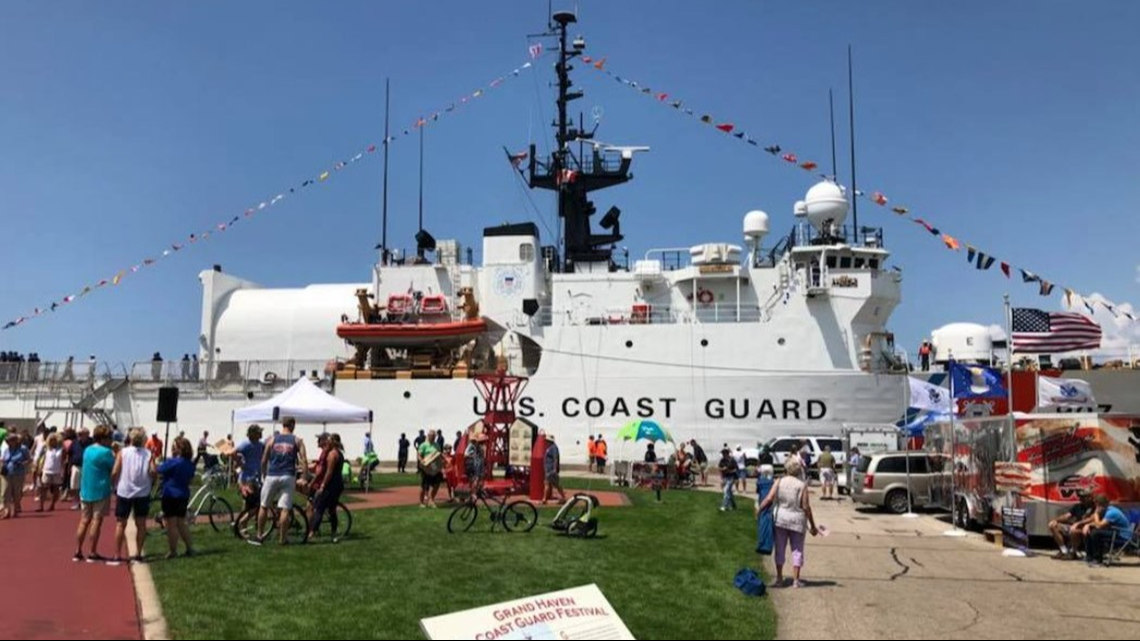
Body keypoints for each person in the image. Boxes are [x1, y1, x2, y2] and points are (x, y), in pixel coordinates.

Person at [759, 458, 819, 589]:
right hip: (797, 520)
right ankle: (796, 580)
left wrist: (760, 509)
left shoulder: (779, 481)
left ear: (786, 469)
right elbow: (806, 507)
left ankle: (780, 578)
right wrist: (813, 526)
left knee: (780, 548)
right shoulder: (802, 485)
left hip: (781, 519)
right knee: (797, 550)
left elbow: (769, 498)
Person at [256, 417, 308, 545]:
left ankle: (259, 535)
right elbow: (304, 460)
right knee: (285, 509)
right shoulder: (297, 440)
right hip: (288, 475)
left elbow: (264, 459)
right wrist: (304, 478)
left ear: (282, 425)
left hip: (272, 475)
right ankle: (282, 539)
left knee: (264, 506)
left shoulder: (272, 439)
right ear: (292, 425)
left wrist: (263, 475)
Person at [111, 429, 157, 566]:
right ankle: (138, 553)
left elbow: (115, 471)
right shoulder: (148, 454)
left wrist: (114, 484)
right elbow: (153, 471)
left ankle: (117, 554)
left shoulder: (123, 453)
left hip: (125, 491)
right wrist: (152, 482)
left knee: (120, 523)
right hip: (142, 492)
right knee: (141, 524)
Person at [75, 425, 116, 562]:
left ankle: (78, 550)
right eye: (109, 437)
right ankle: (92, 551)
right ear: (103, 438)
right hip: (101, 489)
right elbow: (113, 467)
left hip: (86, 488)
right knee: (96, 521)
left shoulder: (87, 450)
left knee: (84, 520)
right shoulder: (106, 452)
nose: (111, 440)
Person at [157, 438, 195, 558]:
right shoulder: (190, 463)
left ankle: (173, 551)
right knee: (181, 523)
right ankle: (189, 548)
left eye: (174, 447)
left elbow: (159, 469)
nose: (172, 449)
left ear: (179, 449)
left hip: (170, 494)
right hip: (183, 494)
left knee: (171, 524)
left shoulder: (173, 462)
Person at [307, 433, 345, 543]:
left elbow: (329, 472)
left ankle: (311, 533)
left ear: (333, 441)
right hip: (338, 485)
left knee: (319, 508)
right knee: (332, 510)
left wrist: (323, 485)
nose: (327, 442)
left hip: (331, 485)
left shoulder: (332, 455)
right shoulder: (339, 453)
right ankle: (333, 533)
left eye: (329, 440)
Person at [1083, 495, 1134, 567]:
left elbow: (1099, 525)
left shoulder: (1112, 512)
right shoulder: (1106, 511)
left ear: (1098, 504)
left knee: (1096, 533)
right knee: (1089, 531)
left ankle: (1098, 560)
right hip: (1115, 532)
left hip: (1123, 535)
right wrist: (1088, 525)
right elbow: (1100, 523)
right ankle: (1090, 557)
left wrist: (1096, 514)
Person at [233, 425, 265, 533]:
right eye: (259, 432)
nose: (261, 433)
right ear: (253, 433)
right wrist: (239, 463)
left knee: (250, 504)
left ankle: (242, 528)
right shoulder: (246, 444)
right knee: (255, 505)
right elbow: (233, 452)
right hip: (247, 479)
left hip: (256, 478)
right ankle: (241, 524)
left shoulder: (261, 445)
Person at [1049, 492, 1096, 560]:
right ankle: (1063, 551)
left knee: (1073, 531)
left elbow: (1092, 519)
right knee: (1053, 526)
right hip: (1075, 526)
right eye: (1080, 497)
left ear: (1090, 497)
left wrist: (1078, 524)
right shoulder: (1078, 506)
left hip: (1086, 528)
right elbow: (1067, 516)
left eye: (1083, 497)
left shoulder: (1094, 507)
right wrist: (1056, 520)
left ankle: (1073, 553)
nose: (1081, 499)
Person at [1, 432, 30, 519]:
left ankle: (15, 509)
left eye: (11, 440)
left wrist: (21, 463)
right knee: (5, 492)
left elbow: (28, 459)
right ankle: (7, 511)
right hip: (7, 472)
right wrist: (2, 464)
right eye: (8, 441)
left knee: (16, 493)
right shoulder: (6, 449)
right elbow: (2, 459)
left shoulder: (23, 449)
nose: (9, 442)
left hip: (18, 473)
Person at [36, 433, 65, 512]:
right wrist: (39, 469)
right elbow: (41, 459)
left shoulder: (61, 449)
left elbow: (63, 461)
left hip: (57, 471)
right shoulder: (46, 448)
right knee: (43, 488)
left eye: (54, 440)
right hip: (46, 470)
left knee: (56, 489)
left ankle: (52, 504)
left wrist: (63, 471)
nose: (53, 442)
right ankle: (41, 505)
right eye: (51, 440)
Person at [754, 464, 776, 557]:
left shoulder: (760, 481)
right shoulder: (772, 482)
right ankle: (768, 545)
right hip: (770, 504)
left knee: (762, 525)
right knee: (769, 525)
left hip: (762, 501)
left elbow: (758, 491)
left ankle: (762, 544)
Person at [419, 429, 444, 508]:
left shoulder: (437, 445)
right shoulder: (423, 445)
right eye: (431, 436)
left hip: (435, 466)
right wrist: (422, 461)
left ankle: (431, 500)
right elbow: (419, 455)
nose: (433, 437)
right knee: (424, 485)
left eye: (434, 436)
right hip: (426, 466)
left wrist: (442, 462)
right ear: (428, 436)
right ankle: (422, 502)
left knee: (437, 483)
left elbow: (439, 455)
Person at [65, 428, 91, 506]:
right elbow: (69, 455)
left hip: (87, 467)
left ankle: (84, 501)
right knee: (74, 485)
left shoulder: (91, 443)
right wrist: (68, 467)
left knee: (85, 485)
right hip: (76, 466)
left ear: (87, 435)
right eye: (78, 434)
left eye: (81, 434)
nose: (79, 435)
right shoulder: (74, 443)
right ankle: (77, 501)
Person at [543, 434, 566, 505]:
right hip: (548, 469)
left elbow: (555, 458)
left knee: (551, 484)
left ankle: (544, 498)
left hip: (551, 469)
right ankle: (545, 498)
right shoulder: (549, 447)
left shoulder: (553, 448)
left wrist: (555, 469)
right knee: (550, 483)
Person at [463, 431, 488, 496]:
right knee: (476, 478)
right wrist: (472, 456)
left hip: (480, 463)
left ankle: (479, 490)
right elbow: (466, 454)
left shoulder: (480, 446)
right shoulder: (472, 445)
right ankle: (473, 493)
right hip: (476, 463)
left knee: (481, 477)